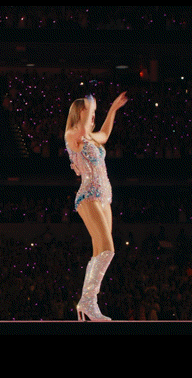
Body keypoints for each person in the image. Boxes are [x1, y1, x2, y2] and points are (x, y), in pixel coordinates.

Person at [65, 92, 128, 321]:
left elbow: (105, 134)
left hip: (104, 196)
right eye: (91, 112)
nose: (93, 116)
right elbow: (81, 129)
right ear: (81, 112)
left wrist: (112, 110)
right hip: (89, 195)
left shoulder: (90, 137)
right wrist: (89, 106)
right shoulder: (73, 134)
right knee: (108, 249)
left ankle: (87, 301)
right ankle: (88, 301)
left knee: (99, 251)